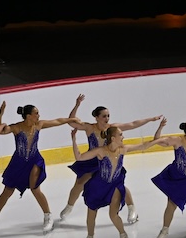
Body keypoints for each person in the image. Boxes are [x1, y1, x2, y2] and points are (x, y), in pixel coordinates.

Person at [61, 94, 163, 223]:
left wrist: (151, 119)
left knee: (118, 185)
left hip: (108, 160)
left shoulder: (112, 129)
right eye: (104, 116)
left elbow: (132, 124)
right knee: (79, 184)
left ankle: (132, 208)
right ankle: (69, 207)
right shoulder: (89, 127)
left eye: (108, 115)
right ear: (96, 117)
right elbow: (71, 122)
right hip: (91, 160)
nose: (107, 118)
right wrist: (77, 104)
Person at [71, 119, 167, 238]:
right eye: (121, 135)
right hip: (98, 185)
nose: (123, 137)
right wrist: (74, 140)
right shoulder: (101, 151)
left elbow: (143, 146)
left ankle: (123, 234)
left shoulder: (123, 149)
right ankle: (90, 237)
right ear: (113, 138)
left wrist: (158, 137)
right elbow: (79, 157)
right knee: (91, 213)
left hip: (115, 185)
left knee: (113, 214)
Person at [0, 102, 79, 234]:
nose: (38, 115)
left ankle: (48, 216)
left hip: (34, 160)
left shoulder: (39, 125)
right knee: (8, 190)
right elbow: (0, 131)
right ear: (28, 116)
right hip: (18, 162)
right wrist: (1, 113)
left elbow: (57, 121)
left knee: (35, 188)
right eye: (36, 113)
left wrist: (70, 119)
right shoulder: (17, 127)